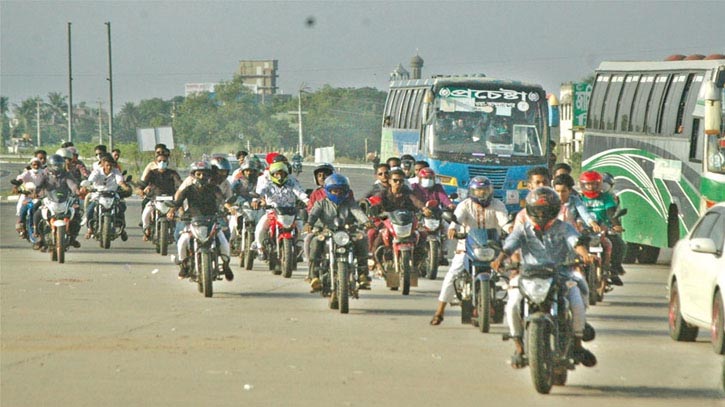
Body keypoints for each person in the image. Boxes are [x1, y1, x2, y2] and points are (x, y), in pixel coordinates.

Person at [491, 187, 596, 369]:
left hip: (560, 274)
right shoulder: (523, 229)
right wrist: (500, 259)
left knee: (577, 301)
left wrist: (585, 254)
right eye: (538, 210)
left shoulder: (564, 228)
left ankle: (578, 344)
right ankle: (519, 348)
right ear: (531, 210)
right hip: (528, 275)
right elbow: (509, 245)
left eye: (545, 210)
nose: (541, 214)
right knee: (513, 304)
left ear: (554, 210)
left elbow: (576, 242)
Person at [430, 176, 508, 325]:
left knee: (511, 277)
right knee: (453, 274)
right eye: (478, 191)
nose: (482, 194)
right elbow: (456, 219)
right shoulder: (465, 205)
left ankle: (518, 316)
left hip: (493, 247)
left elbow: (503, 221)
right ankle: (439, 312)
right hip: (467, 246)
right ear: (472, 192)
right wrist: (453, 229)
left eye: (485, 190)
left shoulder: (498, 204)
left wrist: (510, 228)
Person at [168, 161, 233, 281]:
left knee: (223, 241)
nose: (202, 177)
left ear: (209, 175)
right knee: (183, 241)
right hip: (192, 221)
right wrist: (172, 210)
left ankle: (226, 265)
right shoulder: (188, 189)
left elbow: (222, 200)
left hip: (211, 220)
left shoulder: (214, 189)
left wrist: (228, 208)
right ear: (193, 175)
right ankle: (184, 266)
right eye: (198, 174)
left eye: (205, 174)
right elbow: (178, 202)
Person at [304, 174, 371, 292]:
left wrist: (366, 222)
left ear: (346, 191)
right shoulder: (321, 203)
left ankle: (363, 274)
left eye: (341, 191)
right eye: (334, 191)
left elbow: (358, 212)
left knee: (362, 238)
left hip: (347, 231)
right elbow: (314, 214)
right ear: (328, 191)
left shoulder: (350, 203)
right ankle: (314, 275)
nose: (337, 193)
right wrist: (310, 223)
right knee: (315, 241)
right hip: (327, 231)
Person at [250, 162, 309, 259]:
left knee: (301, 228)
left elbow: (300, 193)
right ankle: (261, 249)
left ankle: (299, 248)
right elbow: (260, 192)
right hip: (272, 212)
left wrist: (307, 201)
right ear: (272, 174)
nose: (279, 176)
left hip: (291, 213)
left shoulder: (291, 183)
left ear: (286, 174)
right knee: (260, 229)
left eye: (282, 173)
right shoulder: (268, 183)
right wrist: (256, 200)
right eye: (277, 174)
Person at [579, 171, 625, 286]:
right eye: (587, 184)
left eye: (593, 184)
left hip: (602, 230)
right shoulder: (578, 199)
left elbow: (611, 213)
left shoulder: (606, 198)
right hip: (583, 231)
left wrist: (615, 224)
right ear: (582, 185)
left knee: (619, 244)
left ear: (599, 184)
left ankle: (613, 270)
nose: (590, 187)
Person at [32, 154, 82, 250]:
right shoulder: (45, 174)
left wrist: (76, 190)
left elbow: (72, 184)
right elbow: (39, 185)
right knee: (37, 213)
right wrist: (36, 192)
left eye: (59, 165)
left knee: (77, 214)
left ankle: (73, 238)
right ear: (50, 165)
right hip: (48, 200)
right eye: (55, 165)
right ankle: (40, 237)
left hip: (64, 200)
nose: (57, 167)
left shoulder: (66, 174)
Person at [83, 154, 131, 240]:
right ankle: (90, 229)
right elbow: (90, 180)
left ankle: (122, 229)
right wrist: (86, 186)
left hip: (112, 195)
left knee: (121, 208)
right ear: (102, 164)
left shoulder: (116, 172)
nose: (109, 167)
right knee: (89, 210)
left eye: (110, 165)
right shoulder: (97, 172)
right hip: (98, 195)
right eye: (107, 165)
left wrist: (126, 187)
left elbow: (120, 181)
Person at [138, 153, 182, 240]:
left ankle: (176, 233)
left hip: (170, 200)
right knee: (146, 214)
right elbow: (143, 184)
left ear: (167, 162)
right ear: (156, 162)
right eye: (160, 161)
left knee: (180, 216)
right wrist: (140, 190)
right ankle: (147, 231)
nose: (162, 162)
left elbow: (179, 184)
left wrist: (182, 189)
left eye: (164, 161)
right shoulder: (151, 173)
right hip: (154, 200)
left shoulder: (172, 173)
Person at [13, 157, 46, 239]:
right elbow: (20, 178)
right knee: (22, 210)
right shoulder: (28, 173)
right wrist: (17, 185)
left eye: (38, 164)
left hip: (41, 196)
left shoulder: (44, 173)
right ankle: (21, 229)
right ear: (31, 165)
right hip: (27, 196)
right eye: (34, 164)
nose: (36, 166)